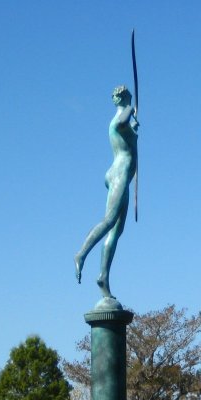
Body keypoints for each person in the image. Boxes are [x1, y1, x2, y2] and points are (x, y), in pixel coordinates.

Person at [74, 85, 138, 300]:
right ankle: (81, 254)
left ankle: (103, 276)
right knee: (110, 221)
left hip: (124, 177)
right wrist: (131, 109)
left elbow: (126, 132)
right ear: (125, 97)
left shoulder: (124, 119)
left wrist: (134, 128)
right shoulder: (121, 116)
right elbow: (122, 123)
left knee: (117, 231)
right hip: (119, 173)